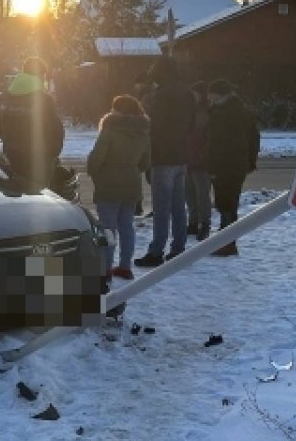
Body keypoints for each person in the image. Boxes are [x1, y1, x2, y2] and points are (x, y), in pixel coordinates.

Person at [134, 55, 196, 268]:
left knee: (162, 208)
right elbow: (191, 124)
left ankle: (156, 251)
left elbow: (155, 127)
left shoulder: (162, 95)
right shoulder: (186, 93)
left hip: (162, 157)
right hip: (181, 156)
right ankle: (178, 248)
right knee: (179, 206)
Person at [87, 95, 151, 282]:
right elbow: (145, 162)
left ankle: (104, 268)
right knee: (126, 226)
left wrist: (93, 171)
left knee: (106, 228)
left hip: (108, 182)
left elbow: (98, 156)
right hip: (131, 183)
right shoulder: (143, 131)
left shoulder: (110, 129)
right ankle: (125, 266)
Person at [0, 56, 65, 192]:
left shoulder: (4, 97)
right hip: (37, 162)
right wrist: (51, 155)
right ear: (40, 75)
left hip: (10, 159)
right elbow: (54, 131)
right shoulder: (43, 99)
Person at [205, 79, 260, 256]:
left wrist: (211, 165)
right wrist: (251, 160)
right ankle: (228, 239)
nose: (208, 97)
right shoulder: (243, 111)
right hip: (239, 163)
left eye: (211, 94)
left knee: (225, 202)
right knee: (231, 201)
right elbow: (254, 137)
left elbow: (215, 142)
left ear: (219, 95)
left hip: (224, 164)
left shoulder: (220, 113)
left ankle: (226, 242)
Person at [185, 81, 213, 242]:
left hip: (200, 159)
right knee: (190, 194)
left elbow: (207, 135)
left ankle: (204, 224)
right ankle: (193, 222)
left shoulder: (206, 112)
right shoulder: (190, 110)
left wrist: (204, 154)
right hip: (188, 157)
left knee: (202, 194)